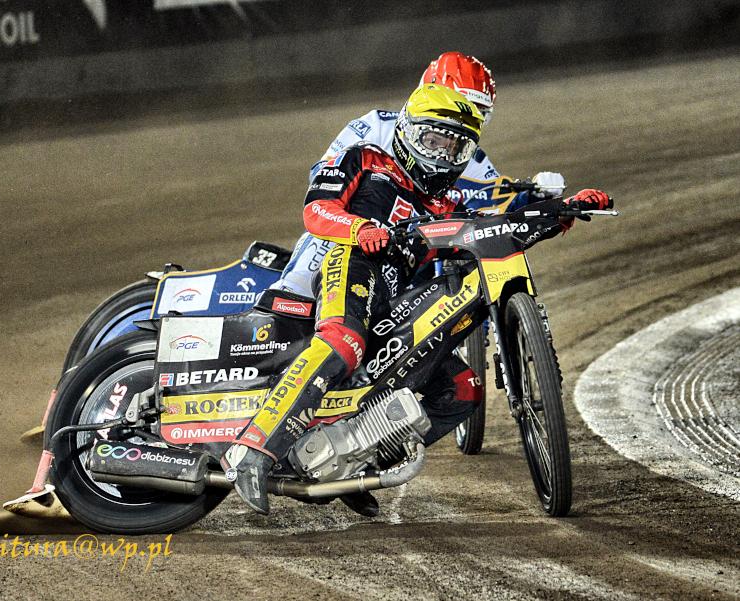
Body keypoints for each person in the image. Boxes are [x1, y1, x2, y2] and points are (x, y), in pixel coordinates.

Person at [223, 83, 612, 516]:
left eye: (454, 148)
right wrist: (359, 229)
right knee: (342, 340)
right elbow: (316, 209)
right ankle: (252, 450)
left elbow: (498, 227)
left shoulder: (446, 205)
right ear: (408, 132)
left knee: (463, 391)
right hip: (351, 263)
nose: (442, 155)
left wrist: (561, 211)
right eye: (433, 141)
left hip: (395, 301)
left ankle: (354, 466)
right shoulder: (365, 159)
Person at [277, 51, 566, 297]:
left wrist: (536, 198)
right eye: (466, 103)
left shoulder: (472, 156)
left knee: (473, 255)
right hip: (355, 237)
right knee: (316, 256)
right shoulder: (375, 125)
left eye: (481, 111)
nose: (469, 116)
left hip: (419, 251)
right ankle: (289, 298)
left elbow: (494, 208)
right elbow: (323, 179)